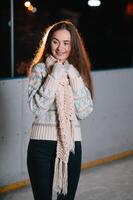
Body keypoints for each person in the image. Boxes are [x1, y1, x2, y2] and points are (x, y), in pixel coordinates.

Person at [27, 20, 94, 200]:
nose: (60, 48)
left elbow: (85, 110)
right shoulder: (39, 69)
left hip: (71, 145)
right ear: (49, 42)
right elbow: (37, 107)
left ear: (73, 46)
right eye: (56, 41)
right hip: (40, 146)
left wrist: (73, 76)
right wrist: (54, 75)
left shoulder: (77, 72)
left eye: (66, 43)